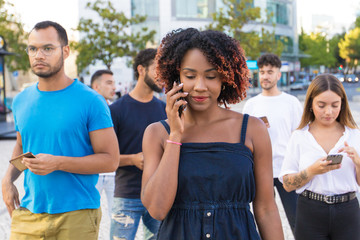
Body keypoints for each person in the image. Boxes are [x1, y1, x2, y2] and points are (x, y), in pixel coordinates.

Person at [141, 28, 284, 240]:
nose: (200, 86)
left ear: (225, 78)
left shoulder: (252, 130)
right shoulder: (157, 134)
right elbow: (157, 210)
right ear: (175, 76)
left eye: (211, 76)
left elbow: (266, 209)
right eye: (190, 76)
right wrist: (175, 137)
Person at [1, 21, 119, 240]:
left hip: (77, 214)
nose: (39, 55)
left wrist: (57, 162)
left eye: (48, 48)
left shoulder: (91, 101)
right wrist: (7, 179)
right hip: (29, 213)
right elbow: (22, 144)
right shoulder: (21, 101)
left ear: (65, 51)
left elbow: (110, 160)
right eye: (33, 49)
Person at [280, 74, 360, 240]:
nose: (328, 112)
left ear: (342, 105)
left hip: (348, 212)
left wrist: (358, 163)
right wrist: (311, 171)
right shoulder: (299, 137)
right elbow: (287, 184)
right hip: (310, 211)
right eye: (321, 105)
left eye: (335, 105)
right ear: (310, 104)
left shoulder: (354, 135)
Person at [242, 53, 302, 234]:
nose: (265, 76)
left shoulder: (291, 103)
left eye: (270, 72)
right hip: (261, 171)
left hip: (287, 170)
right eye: (261, 72)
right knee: (264, 221)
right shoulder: (251, 105)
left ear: (278, 74)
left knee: (297, 221)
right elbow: (244, 139)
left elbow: (299, 137)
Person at [110, 48, 166, 240]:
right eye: (157, 69)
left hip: (159, 195)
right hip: (127, 194)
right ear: (141, 70)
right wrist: (132, 159)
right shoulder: (116, 110)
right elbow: (102, 156)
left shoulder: (165, 109)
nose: (162, 75)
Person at [90, 69, 116, 218]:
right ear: (96, 86)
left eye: (114, 83)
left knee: (117, 217)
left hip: (114, 173)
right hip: (93, 172)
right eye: (109, 83)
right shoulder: (86, 109)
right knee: (90, 216)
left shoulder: (116, 109)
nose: (114, 87)